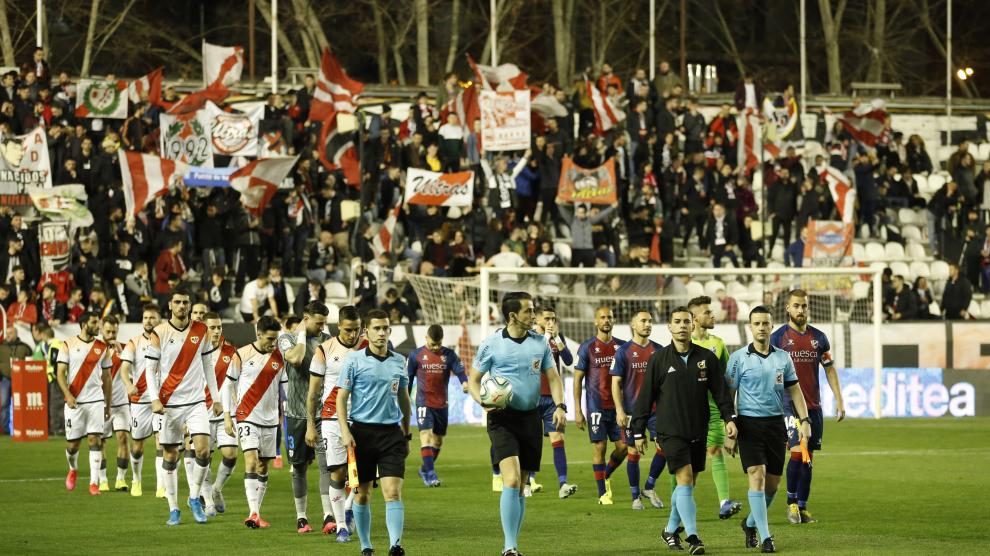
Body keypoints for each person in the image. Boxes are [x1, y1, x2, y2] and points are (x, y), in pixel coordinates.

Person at [631, 306, 737, 554]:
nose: (681, 325)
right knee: (685, 478)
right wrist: (638, 431)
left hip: (698, 430)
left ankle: (669, 530)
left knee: (687, 486)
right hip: (670, 431)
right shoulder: (658, 359)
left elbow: (721, 393)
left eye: (686, 322)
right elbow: (645, 398)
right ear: (669, 327)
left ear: (692, 326)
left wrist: (729, 418)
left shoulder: (706, 358)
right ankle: (693, 537)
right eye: (676, 321)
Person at [469, 292, 566, 556]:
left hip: (531, 418)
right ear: (512, 315)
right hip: (502, 418)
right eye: (529, 311)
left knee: (522, 484)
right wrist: (482, 402)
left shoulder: (540, 343)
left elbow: (554, 378)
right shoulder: (491, 344)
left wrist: (560, 406)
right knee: (511, 481)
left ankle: (513, 543)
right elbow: (474, 379)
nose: (533, 316)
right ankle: (509, 546)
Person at [726, 305, 814, 554]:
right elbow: (728, 395)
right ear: (750, 327)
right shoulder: (738, 358)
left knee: (773, 484)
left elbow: (795, 390)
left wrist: (804, 420)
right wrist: (729, 425)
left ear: (771, 326)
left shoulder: (783, 358)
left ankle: (750, 523)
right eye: (757, 324)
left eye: (766, 323)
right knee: (757, 475)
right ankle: (766, 537)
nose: (762, 328)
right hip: (748, 424)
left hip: (776, 424)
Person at [336, 309, 412, 556]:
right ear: (366, 331)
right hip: (361, 435)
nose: (382, 333)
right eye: (377, 328)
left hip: (391, 435)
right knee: (362, 495)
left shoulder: (399, 361)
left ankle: (395, 545)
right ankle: (366, 546)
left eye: (385, 328)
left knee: (393, 492)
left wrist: (406, 432)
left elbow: (404, 398)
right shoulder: (354, 361)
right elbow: (341, 399)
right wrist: (345, 432)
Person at [145, 287, 222, 525]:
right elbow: (150, 369)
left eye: (185, 303)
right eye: (177, 302)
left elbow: (208, 365)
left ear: (190, 305)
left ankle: (193, 497)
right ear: (170, 305)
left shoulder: (201, 330)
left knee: (203, 449)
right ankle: (173, 508)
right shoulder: (159, 332)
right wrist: (154, 398)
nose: (181, 306)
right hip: (168, 403)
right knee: (170, 454)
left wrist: (216, 397)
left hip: (196, 400)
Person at [769, 289, 844, 525]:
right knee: (797, 452)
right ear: (787, 308)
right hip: (788, 406)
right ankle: (791, 504)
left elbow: (829, 368)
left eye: (804, 306)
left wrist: (839, 399)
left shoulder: (819, 338)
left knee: (808, 458)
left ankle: (802, 506)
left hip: (813, 406)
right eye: (796, 306)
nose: (801, 310)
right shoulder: (778, 337)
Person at [223, 316, 288, 529]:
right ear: (258, 334)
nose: (273, 343)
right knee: (250, 461)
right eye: (270, 338)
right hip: (246, 415)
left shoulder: (280, 357)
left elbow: (285, 389)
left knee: (263, 466)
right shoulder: (241, 354)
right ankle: (253, 512)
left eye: (276, 338)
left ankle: (257, 513)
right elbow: (228, 385)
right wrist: (227, 415)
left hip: (270, 420)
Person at [306, 305, 363, 542]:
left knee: (365, 474)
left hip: (362, 417)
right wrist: (311, 424)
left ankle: (348, 509)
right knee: (338, 474)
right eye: (348, 330)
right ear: (339, 326)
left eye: (357, 330)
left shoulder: (368, 348)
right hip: (331, 418)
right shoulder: (324, 350)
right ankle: (340, 525)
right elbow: (312, 393)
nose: (353, 335)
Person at [688, 296, 743, 520]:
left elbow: (728, 382)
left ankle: (723, 502)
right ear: (694, 318)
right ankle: (681, 505)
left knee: (715, 451)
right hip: (688, 413)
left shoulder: (718, 344)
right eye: (707, 312)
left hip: (712, 411)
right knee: (690, 464)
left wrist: (729, 414)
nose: (713, 315)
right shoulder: (682, 344)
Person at [280, 301, 332, 534]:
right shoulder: (287, 339)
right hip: (296, 415)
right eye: (318, 322)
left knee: (326, 466)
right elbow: (296, 359)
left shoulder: (328, 339)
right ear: (306, 318)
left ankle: (328, 515)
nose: (322, 327)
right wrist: (301, 333)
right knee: (299, 468)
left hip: (322, 413)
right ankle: (301, 517)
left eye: (324, 323)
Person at [609, 310, 666, 510]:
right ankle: (635, 497)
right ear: (633, 324)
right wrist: (619, 410)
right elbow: (616, 382)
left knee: (664, 447)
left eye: (650, 321)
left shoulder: (659, 351)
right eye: (643, 321)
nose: (647, 324)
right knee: (633, 451)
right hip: (633, 411)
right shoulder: (623, 351)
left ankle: (649, 487)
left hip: (656, 411)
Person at [55, 311, 114, 495]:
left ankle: (94, 483)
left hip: (96, 400)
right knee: (73, 445)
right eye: (95, 323)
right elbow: (60, 374)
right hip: (75, 402)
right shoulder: (67, 345)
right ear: (83, 324)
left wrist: (108, 405)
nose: (99, 327)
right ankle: (73, 468)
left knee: (95, 440)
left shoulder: (102, 348)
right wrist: (68, 395)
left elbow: (107, 378)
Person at [574, 306, 627, 505]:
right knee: (600, 447)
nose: (606, 320)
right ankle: (602, 493)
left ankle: (606, 474)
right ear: (595, 321)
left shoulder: (622, 347)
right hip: (596, 405)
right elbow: (578, 379)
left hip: (618, 407)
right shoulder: (587, 347)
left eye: (610, 317)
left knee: (623, 447)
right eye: (602, 317)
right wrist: (578, 410)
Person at [406, 324, 468, 487]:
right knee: (425, 436)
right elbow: (409, 378)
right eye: (433, 344)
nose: (436, 347)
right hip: (423, 402)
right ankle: (431, 475)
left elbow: (460, 372)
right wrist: (405, 396)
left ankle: (425, 469)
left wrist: (465, 383)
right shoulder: (416, 355)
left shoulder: (449, 355)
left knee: (438, 441)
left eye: (438, 344)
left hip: (442, 404)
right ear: (426, 338)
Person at [530, 307, 578, 499]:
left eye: (553, 318)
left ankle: (563, 484)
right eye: (547, 318)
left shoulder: (557, 338)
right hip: (531, 396)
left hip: (552, 398)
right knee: (531, 440)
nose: (551, 321)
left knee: (558, 439)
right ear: (539, 319)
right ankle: (528, 481)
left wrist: (556, 338)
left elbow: (568, 360)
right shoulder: (530, 337)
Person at [117, 304, 161, 497]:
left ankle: (162, 486)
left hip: (161, 401)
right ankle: (136, 480)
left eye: (152, 318)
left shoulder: (166, 341)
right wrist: (128, 384)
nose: (148, 321)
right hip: (140, 401)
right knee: (137, 446)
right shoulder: (133, 343)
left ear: (159, 320)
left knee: (162, 443)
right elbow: (124, 369)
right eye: (145, 318)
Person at [200, 312, 240, 516]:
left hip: (227, 412)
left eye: (219, 327)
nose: (216, 331)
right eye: (212, 327)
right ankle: (207, 501)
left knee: (231, 455)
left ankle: (216, 489)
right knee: (204, 457)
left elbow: (236, 382)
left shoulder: (232, 352)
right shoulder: (195, 352)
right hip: (201, 412)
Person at [99, 315, 130, 493]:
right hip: (101, 404)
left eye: (114, 331)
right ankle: (103, 480)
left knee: (123, 438)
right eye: (108, 331)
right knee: (101, 442)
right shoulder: (95, 350)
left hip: (120, 403)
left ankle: (121, 479)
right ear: (102, 328)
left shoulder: (124, 349)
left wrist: (123, 354)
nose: (111, 334)